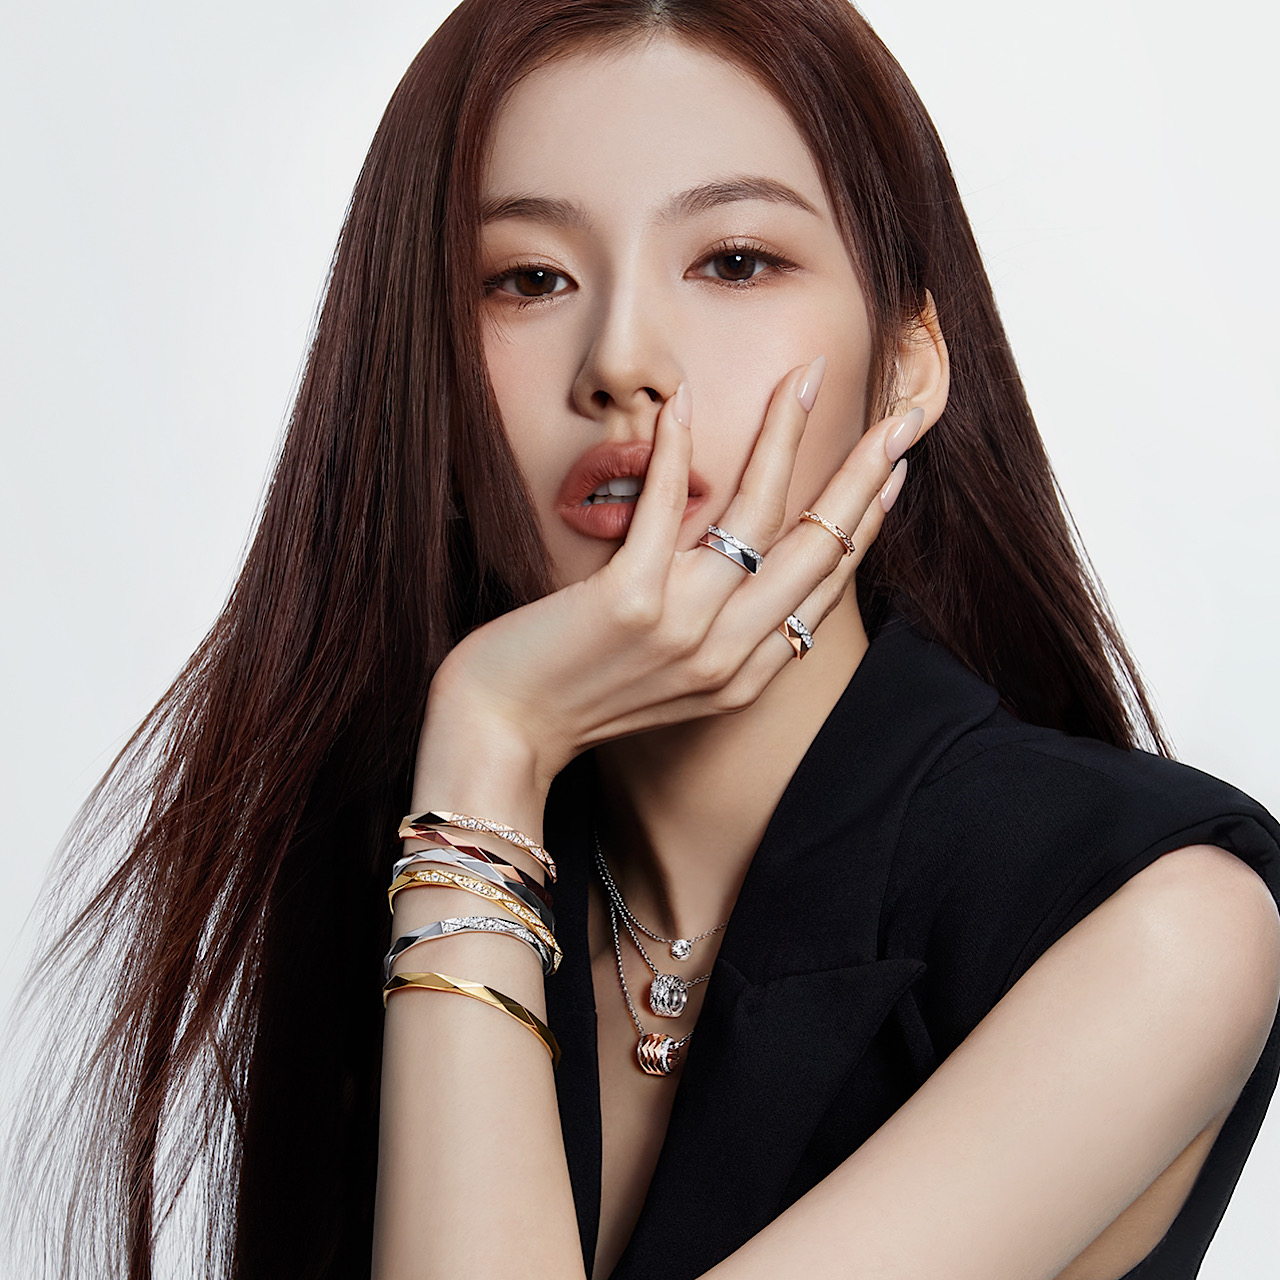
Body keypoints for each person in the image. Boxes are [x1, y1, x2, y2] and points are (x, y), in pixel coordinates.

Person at [3, 1, 1278, 1278]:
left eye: (733, 261)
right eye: (527, 279)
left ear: (905, 367)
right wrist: (484, 759)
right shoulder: (406, 859)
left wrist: (492, 738)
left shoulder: (1165, 924)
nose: (619, 360)